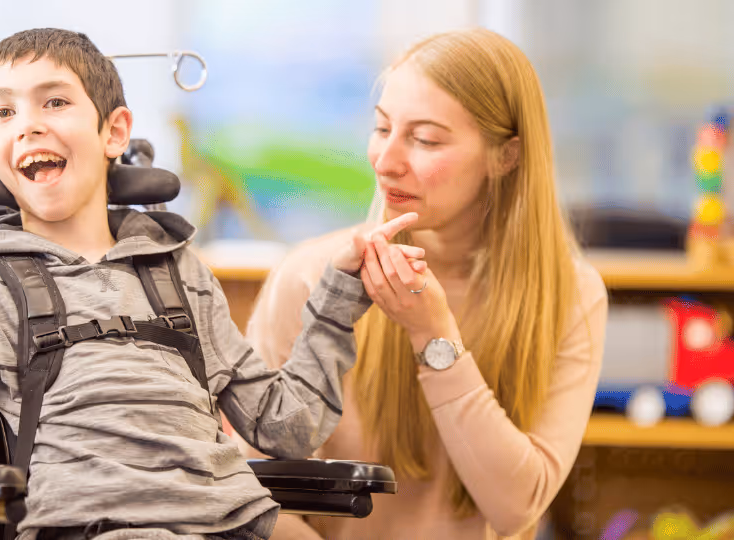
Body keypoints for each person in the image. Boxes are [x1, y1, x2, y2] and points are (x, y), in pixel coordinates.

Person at [0, 28, 422, 540]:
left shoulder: (180, 275)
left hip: (228, 520)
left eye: (56, 101)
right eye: (3, 112)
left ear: (114, 132)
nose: (28, 126)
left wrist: (338, 297)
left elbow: (284, 426)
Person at [244, 28, 609, 540]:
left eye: (425, 138)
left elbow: (515, 510)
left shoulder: (571, 296)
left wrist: (434, 335)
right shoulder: (309, 276)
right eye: (382, 128)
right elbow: (251, 495)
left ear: (507, 156)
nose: (385, 161)